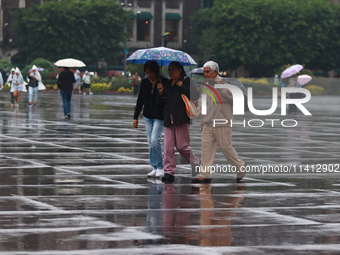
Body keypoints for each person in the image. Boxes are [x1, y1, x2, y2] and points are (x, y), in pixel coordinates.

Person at [194, 61, 245, 183]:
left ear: (215, 72)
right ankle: (205, 174)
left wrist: (221, 86)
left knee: (225, 147)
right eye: (204, 72)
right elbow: (205, 105)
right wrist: (202, 122)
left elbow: (235, 98)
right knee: (206, 149)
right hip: (207, 123)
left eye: (207, 72)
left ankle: (240, 166)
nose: (205, 74)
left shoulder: (226, 83)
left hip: (222, 122)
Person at [157, 61, 200, 184]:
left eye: (173, 70)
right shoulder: (166, 84)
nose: (171, 72)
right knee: (168, 148)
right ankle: (169, 172)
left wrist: (181, 86)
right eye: (169, 70)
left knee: (182, 147)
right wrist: (160, 93)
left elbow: (195, 96)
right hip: (168, 120)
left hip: (182, 118)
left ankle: (196, 163)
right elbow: (160, 103)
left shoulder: (186, 81)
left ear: (180, 70)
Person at [134, 61, 169, 178]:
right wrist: (136, 117)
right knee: (150, 142)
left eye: (151, 72)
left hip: (159, 116)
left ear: (157, 71)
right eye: (147, 73)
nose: (149, 75)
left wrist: (161, 93)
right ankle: (154, 166)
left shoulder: (164, 82)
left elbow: (166, 101)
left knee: (155, 140)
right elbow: (140, 100)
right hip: (147, 115)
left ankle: (160, 166)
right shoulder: (145, 82)